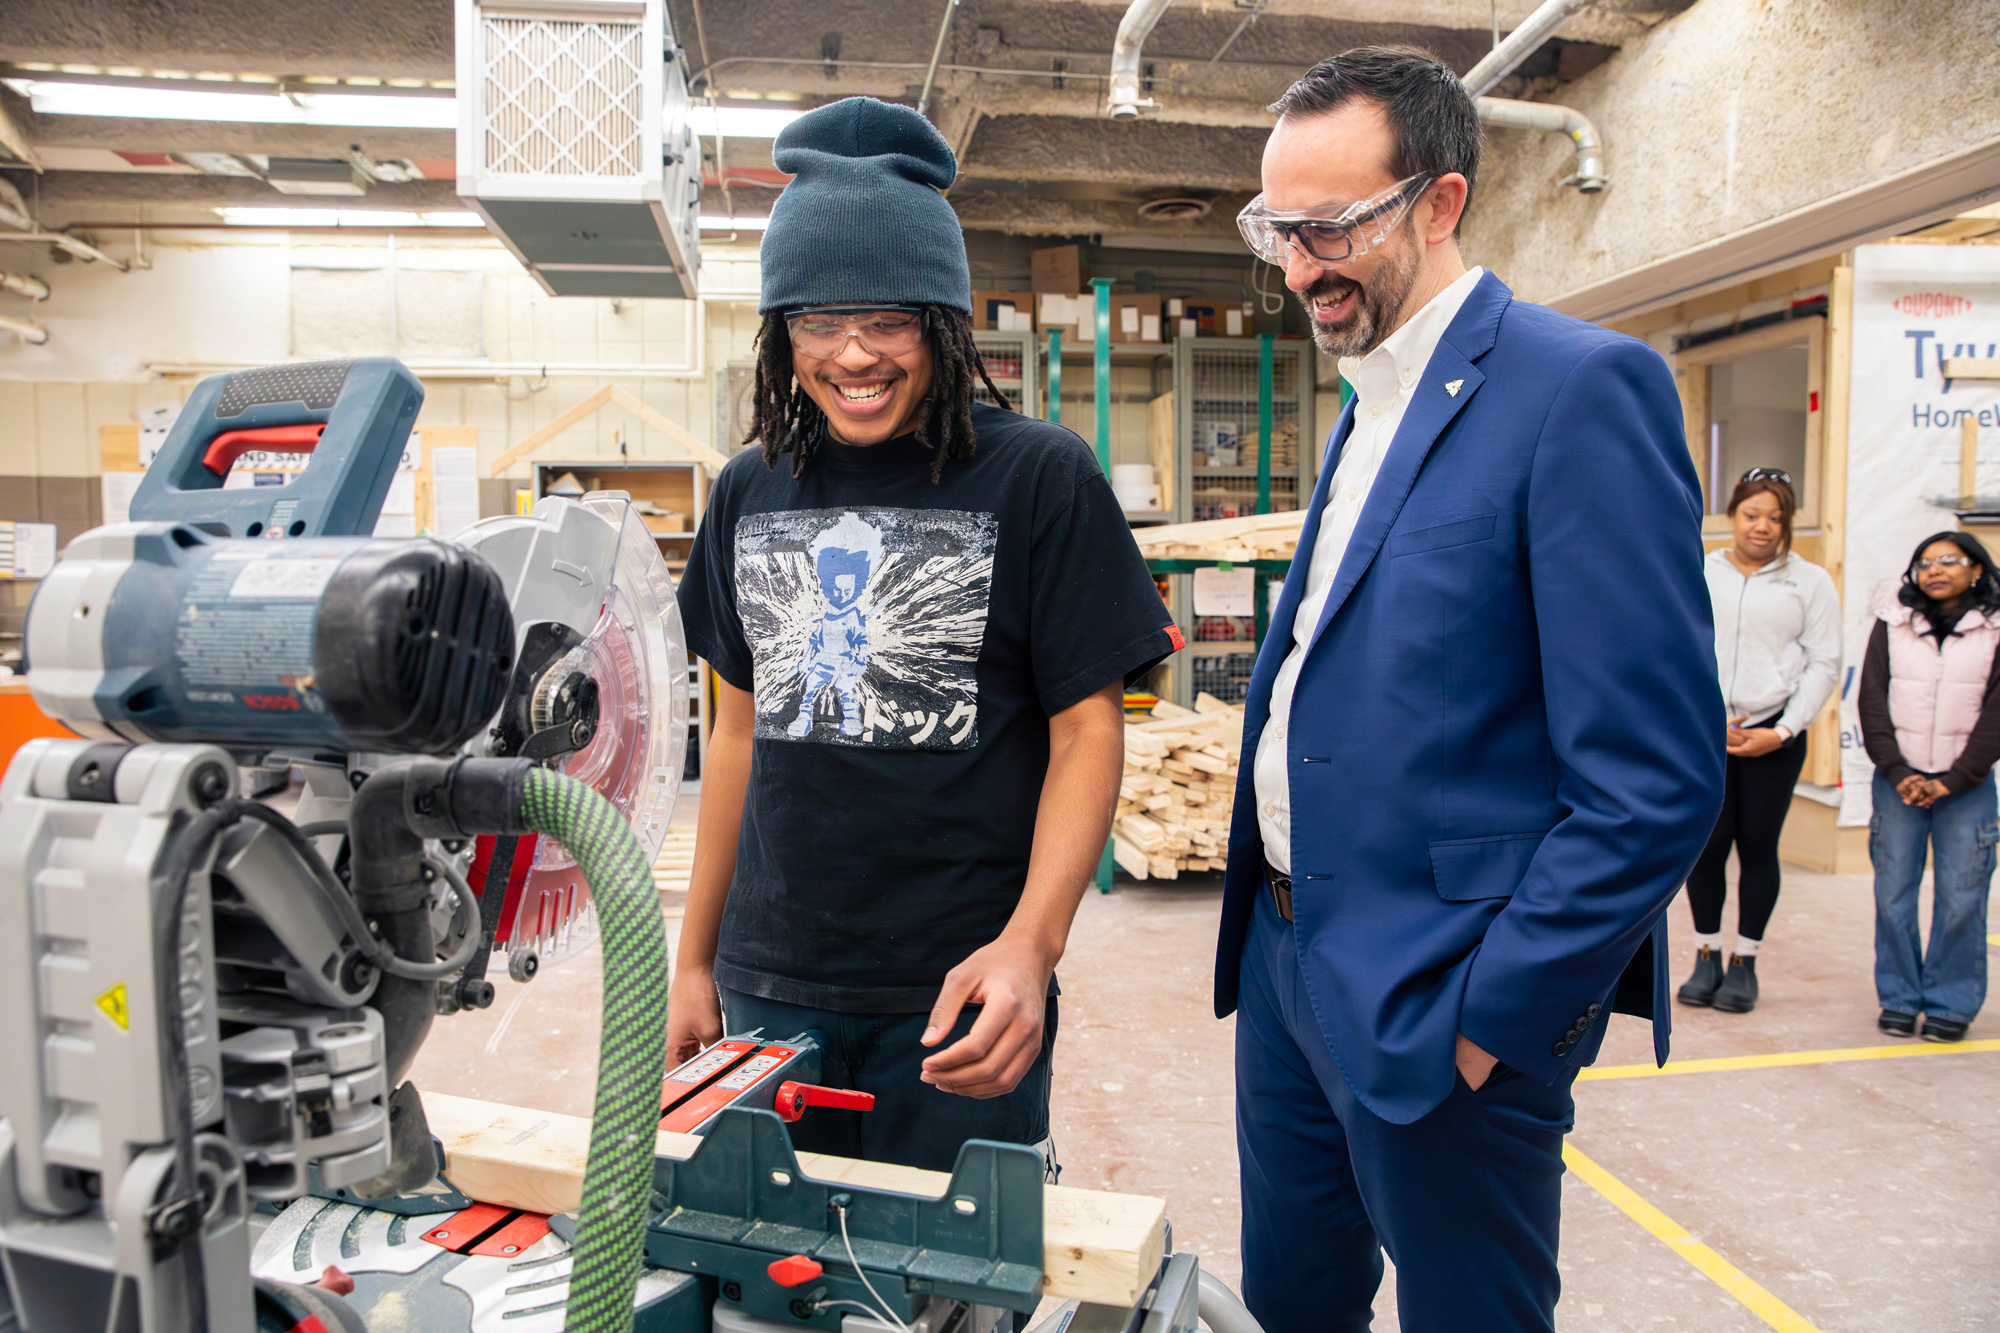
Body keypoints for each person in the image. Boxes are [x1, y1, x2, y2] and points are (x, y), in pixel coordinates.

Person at [1216, 47, 1723, 1332]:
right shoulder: (1365, 403)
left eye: (1329, 228)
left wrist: (1491, 1019)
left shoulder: (1576, 390)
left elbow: (1652, 780)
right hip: (1285, 961)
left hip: (1439, 994)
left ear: (1438, 204)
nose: (1296, 267)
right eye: (1276, 230)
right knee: (1293, 1299)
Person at [667, 97, 1180, 1177]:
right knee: (760, 1271)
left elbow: (1086, 735)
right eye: (815, 320)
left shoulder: (1038, 476)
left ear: (942, 324)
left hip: (958, 986)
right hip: (770, 984)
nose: (851, 354)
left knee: (950, 1283)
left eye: (888, 320)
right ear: (779, 332)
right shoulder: (750, 488)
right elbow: (734, 738)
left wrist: (1031, 948)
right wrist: (693, 958)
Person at [1679, 469, 1840, 1013]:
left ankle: (1744, 962)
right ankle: (1706, 955)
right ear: (1733, 516)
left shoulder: (1811, 581)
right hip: (1706, 734)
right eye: (1753, 515)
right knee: (1707, 847)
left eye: (1776, 517)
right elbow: (1677, 646)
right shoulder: (1701, 571)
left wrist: (1783, 730)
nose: (1763, 527)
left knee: (1757, 846)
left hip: (1774, 735)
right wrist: (1699, 718)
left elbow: (1824, 662)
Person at [1858, 530, 2000, 1044]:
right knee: (1894, 894)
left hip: (1968, 787)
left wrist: (1956, 780)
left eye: (1948, 560)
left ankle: (1950, 1002)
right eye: (1924, 562)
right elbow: (1872, 698)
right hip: (1898, 784)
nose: (1933, 570)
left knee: (1962, 897)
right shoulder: (1893, 622)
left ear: (1977, 569)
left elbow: (1996, 714)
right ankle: (1898, 996)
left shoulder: (1995, 627)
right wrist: (1898, 771)